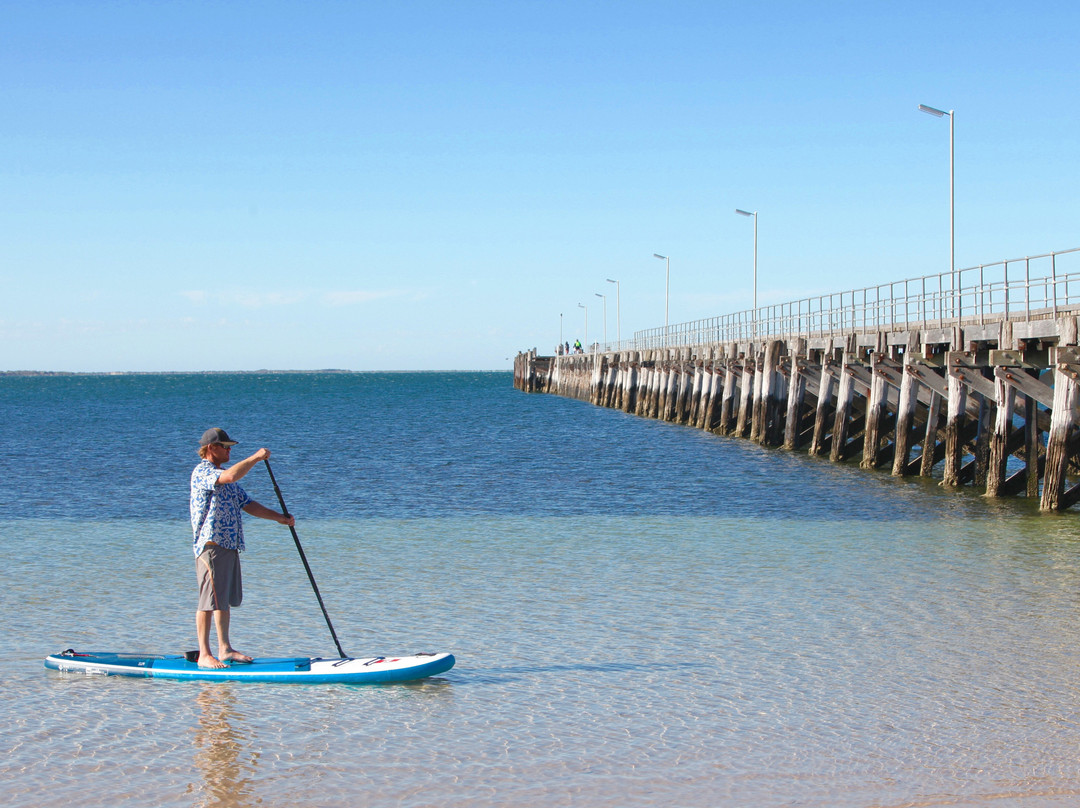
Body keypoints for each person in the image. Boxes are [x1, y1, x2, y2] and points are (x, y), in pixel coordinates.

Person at [190, 427, 295, 669]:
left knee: (223, 600)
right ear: (210, 449)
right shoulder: (203, 472)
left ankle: (224, 649)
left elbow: (247, 504)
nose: (228, 451)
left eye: (229, 448)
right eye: (225, 447)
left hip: (229, 545)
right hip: (210, 546)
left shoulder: (225, 475)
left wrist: (279, 517)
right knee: (208, 601)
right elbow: (230, 477)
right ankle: (204, 655)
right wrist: (255, 458)